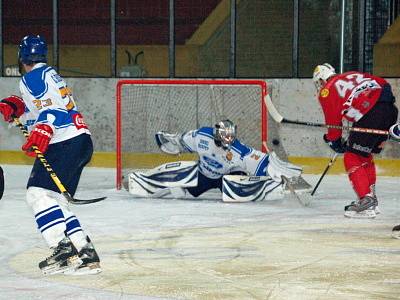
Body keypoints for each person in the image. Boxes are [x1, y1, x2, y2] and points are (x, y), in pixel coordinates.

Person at [0, 35, 101, 275]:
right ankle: (84, 253)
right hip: (79, 141)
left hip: (64, 142)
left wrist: (45, 128)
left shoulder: (32, 77)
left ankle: (62, 248)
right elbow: (43, 108)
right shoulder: (49, 74)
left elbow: (53, 110)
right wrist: (19, 108)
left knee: (37, 194)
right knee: (55, 201)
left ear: (22, 57)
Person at [128, 119, 303, 202]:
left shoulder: (239, 150)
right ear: (218, 136)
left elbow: (261, 161)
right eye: (226, 138)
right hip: (203, 174)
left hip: (224, 178)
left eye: (231, 137)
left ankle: (266, 189)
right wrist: (169, 140)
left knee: (233, 185)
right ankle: (146, 182)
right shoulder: (201, 136)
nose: (229, 141)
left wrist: (277, 172)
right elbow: (181, 141)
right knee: (180, 192)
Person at [313, 63, 398, 218]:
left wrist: (334, 142)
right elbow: (383, 85)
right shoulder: (350, 75)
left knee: (351, 157)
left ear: (321, 80)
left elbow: (333, 123)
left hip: (371, 113)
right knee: (363, 155)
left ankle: (366, 201)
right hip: (390, 110)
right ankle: (371, 200)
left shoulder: (327, 91)